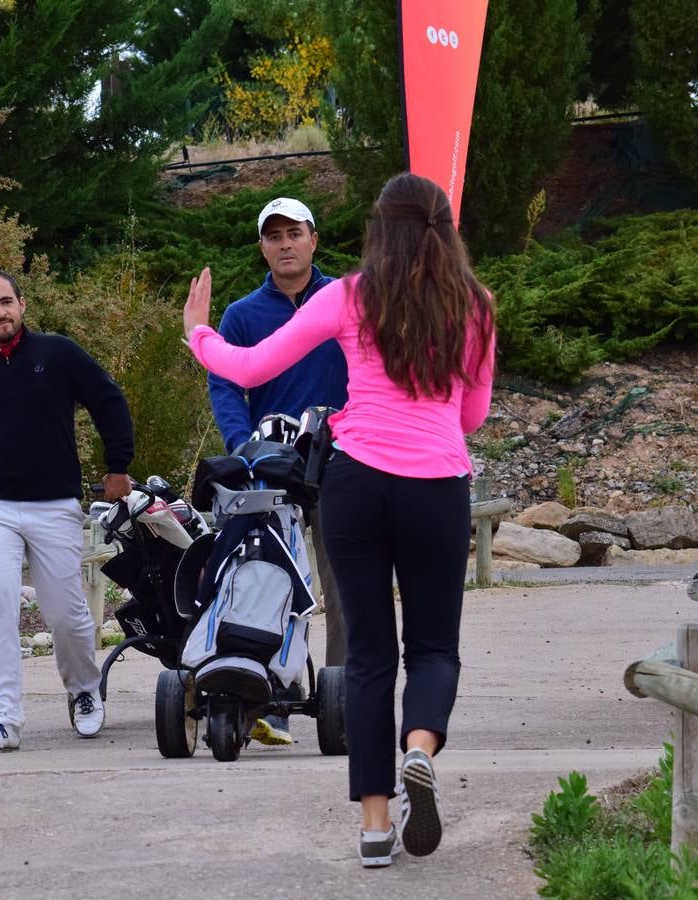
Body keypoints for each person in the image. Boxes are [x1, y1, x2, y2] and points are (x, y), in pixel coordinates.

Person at [182, 173, 495, 868]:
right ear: (445, 229)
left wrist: (198, 332)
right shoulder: (475, 304)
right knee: (435, 649)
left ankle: (376, 827)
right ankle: (420, 749)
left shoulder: (348, 294)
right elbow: (472, 416)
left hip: (356, 483)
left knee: (368, 656)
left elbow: (252, 363)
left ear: (378, 230)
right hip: (437, 484)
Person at [0, 269, 136, 754]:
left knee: (67, 614)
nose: (0, 311)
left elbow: (109, 401)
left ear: (22, 304)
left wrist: (117, 467)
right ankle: (3, 719)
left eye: (7, 301)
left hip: (54, 504)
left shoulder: (58, 354)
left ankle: (84, 690)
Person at [207, 196, 349, 748]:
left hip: (343, 462)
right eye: (274, 236)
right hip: (270, 469)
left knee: (346, 591)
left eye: (294, 233)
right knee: (271, 584)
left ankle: (346, 696)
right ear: (262, 246)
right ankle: (273, 700)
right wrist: (241, 445)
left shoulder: (345, 300)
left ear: (314, 238)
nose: (284, 244)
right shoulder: (243, 315)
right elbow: (225, 382)